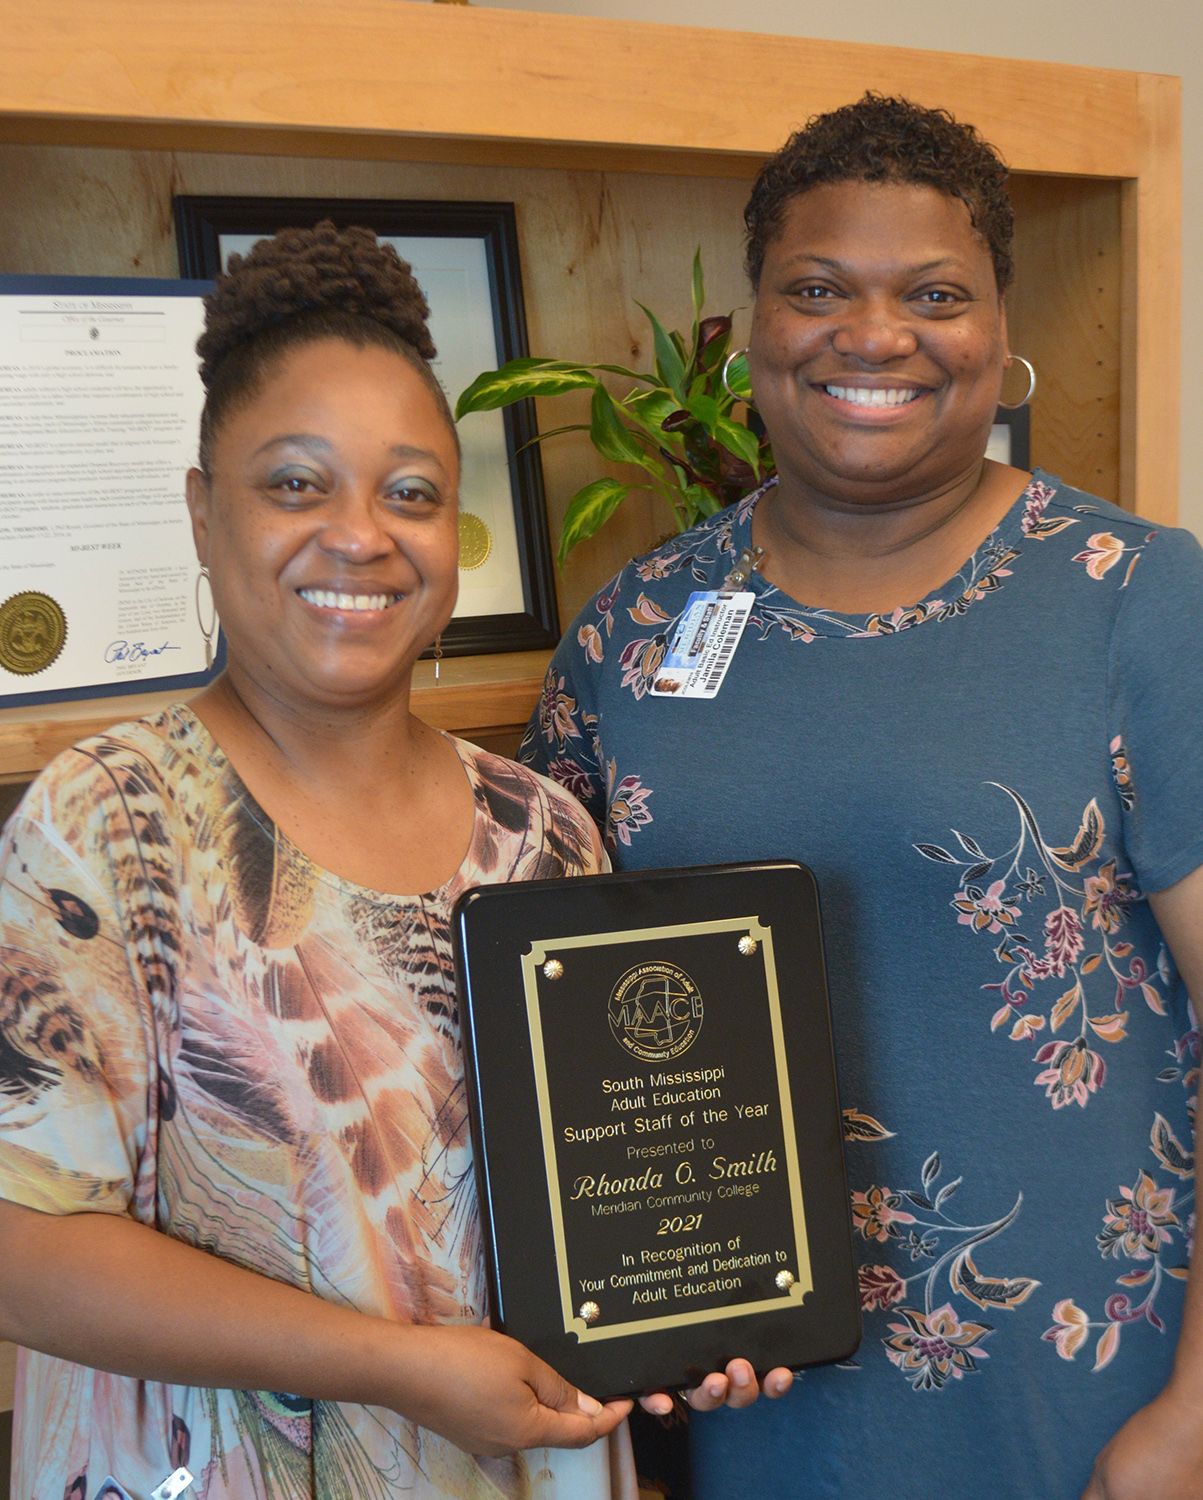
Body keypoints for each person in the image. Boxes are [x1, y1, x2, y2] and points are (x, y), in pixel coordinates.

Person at [521, 95, 1203, 1499]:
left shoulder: (1136, 601)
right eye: (817, 288)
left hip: (1083, 1409)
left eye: (932, 294)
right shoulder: (633, 632)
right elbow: (562, 1045)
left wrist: (1192, 1420)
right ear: (753, 326)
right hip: (753, 1404)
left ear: (997, 331)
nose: (873, 336)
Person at [0, 222, 645, 1500]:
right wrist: (394, 1367)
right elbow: (20, 1242)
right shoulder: (105, 825)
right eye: (296, 484)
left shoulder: (545, 833)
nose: (360, 536)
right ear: (202, 512)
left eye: (408, 492)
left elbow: (627, 1182)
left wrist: (715, 1311)